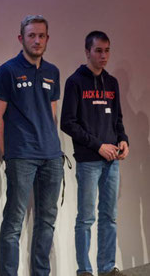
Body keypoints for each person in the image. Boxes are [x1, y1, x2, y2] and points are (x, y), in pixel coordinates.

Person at [0, 15, 64, 276]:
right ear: (21, 38)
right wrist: (5, 154)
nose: (37, 40)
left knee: (47, 221)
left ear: (47, 39)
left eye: (41, 36)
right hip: (21, 156)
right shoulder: (7, 71)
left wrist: (53, 147)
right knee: (13, 222)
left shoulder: (53, 72)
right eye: (31, 35)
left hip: (52, 157)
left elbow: (52, 115)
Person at [61, 31, 129, 276]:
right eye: (99, 50)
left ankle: (107, 267)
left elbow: (118, 119)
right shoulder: (75, 82)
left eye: (107, 50)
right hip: (89, 160)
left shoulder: (112, 83)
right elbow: (67, 123)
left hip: (112, 161)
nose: (104, 56)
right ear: (87, 51)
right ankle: (84, 270)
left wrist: (123, 140)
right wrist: (98, 145)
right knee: (86, 218)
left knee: (109, 217)